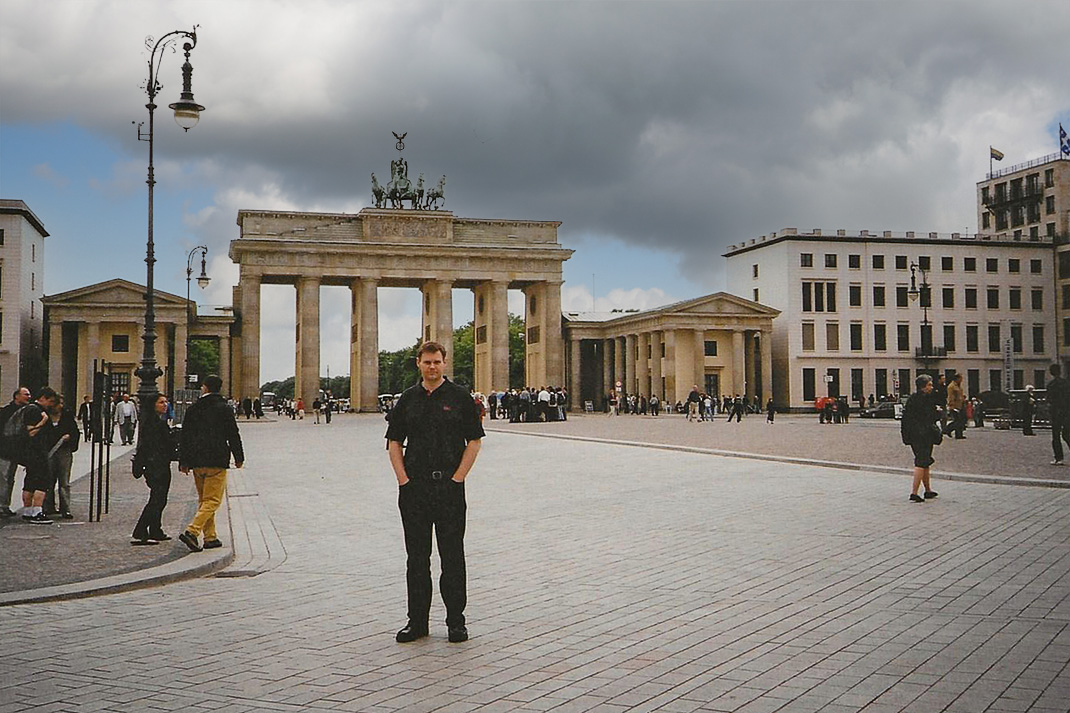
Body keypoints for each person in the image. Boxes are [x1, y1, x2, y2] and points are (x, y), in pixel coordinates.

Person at [386, 341, 484, 644]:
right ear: (419, 363)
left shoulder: (460, 397)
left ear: (444, 363)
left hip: (449, 489)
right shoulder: (407, 399)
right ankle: (416, 622)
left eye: (437, 362)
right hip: (415, 489)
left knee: (452, 556)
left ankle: (456, 622)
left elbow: (475, 441)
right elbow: (393, 442)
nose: (432, 367)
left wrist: (457, 479)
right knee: (416, 558)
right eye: (427, 362)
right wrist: (403, 480)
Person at [178, 375, 245, 552]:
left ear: (205, 388)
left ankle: (210, 537)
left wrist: (183, 460)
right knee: (213, 501)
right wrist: (239, 457)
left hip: (197, 461)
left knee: (204, 501)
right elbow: (233, 434)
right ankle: (192, 531)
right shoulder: (224, 408)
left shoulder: (193, 408)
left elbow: (185, 436)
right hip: (216, 460)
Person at [131, 393, 177, 545]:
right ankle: (141, 530)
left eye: (166, 402)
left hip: (159, 464)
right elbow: (153, 445)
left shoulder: (157, 421)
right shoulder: (153, 423)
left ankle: (155, 529)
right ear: (153, 405)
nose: (165, 405)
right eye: (161, 402)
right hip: (156, 465)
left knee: (160, 498)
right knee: (157, 499)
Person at [17, 387, 60, 524]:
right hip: (37, 452)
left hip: (31, 453)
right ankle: (37, 511)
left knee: (29, 482)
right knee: (41, 482)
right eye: (50, 401)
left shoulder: (30, 409)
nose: (51, 404)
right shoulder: (35, 411)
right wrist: (43, 422)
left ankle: (28, 511)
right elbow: (30, 432)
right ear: (42, 398)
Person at [901, 374, 940, 504]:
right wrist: (937, 413)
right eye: (929, 384)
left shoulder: (913, 399)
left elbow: (905, 419)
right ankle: (914, 492)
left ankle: (928, 490)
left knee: (925, 462)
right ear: (923, 386)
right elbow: (930, 416)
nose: (931, 387)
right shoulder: (924, 399)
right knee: (921, 462)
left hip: (916, 434)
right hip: (922, 435)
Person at [43, 395, 79, 519]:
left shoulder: (67, 415)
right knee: (48, 479)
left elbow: (75, 431)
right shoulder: (45, 415)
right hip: (49, 451)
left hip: (64, 450)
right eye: (58, 404)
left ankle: (65, 508)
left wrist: (70, 438)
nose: (61, 406)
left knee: (64, 481)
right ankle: (48, 506)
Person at [0, 386, 32, 517]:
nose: (29, 396)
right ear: (16, 396)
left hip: (15, 451)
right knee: (4, 478)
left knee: (10, 479)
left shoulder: (26, 411)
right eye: (26, 394)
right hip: (5, 450)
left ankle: (5, 505)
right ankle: (2, 505)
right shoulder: (6, 412)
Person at [1047, 364, 1070, 466]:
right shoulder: (1066, 383)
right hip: (1066, 412)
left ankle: (1058, 458)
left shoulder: (1051, 385)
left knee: (1056, 436)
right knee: (1066, 434)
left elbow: (1050, 400)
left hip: (1056, 412)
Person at [943, 373, 966, 439]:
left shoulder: (959, 386)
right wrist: (951, 405)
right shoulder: (951, 386)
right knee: (957, 421)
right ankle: (947, 429)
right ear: (957, 378)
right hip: (955, 406)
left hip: (960, 405)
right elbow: (950, 396)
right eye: (960, 378)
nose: (961, 380)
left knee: (960, 420)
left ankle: (959, 434)